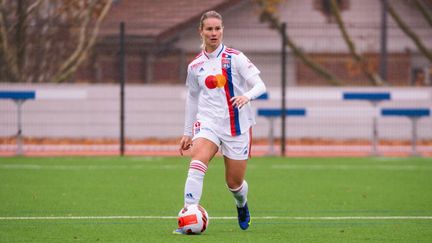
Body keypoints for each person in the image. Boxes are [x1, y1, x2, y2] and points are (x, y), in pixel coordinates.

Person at [174, 10, 266, 234]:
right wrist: (187, 132)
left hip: (236, 126)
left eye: (217, 29)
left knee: (234, 184)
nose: (214, 33)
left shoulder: (236, 58)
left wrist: (247, 96)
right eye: (209, 29)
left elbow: (260, 85)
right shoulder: (195, 65)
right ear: (201, 32)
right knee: (197, 161)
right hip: (208, 123)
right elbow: (192, 98)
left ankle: (241, 204)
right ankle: (189, 212)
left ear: (222, 30)